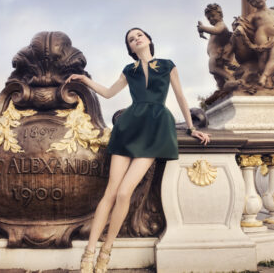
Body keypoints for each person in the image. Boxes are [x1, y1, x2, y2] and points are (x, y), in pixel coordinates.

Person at [65, 27, 210, 273]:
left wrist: (191, 127)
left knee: (124, 193)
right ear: (130, 48)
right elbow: (110, 93)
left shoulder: (167, 65)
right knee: (110, 192)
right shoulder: (128, 70)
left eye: (139, 35)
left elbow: (181, 97)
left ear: (149, 40)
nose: (136, 39)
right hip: (129, 127)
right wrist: (86, 81)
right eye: (131, 39)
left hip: (155, 128)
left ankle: (107, 251)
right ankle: (89, 254)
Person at [197, 3, 234, 89]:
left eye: (213, 16)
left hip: (217, 55)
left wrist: (203, 28)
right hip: (213, 55)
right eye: (209, 18)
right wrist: (201, 31)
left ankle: (230, 78)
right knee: (217, 77)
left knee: (213, 69)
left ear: (220, 14)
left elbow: (216, 30)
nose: (211, 19)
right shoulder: (213, 29)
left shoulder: (221, 25)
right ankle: (222, 89)